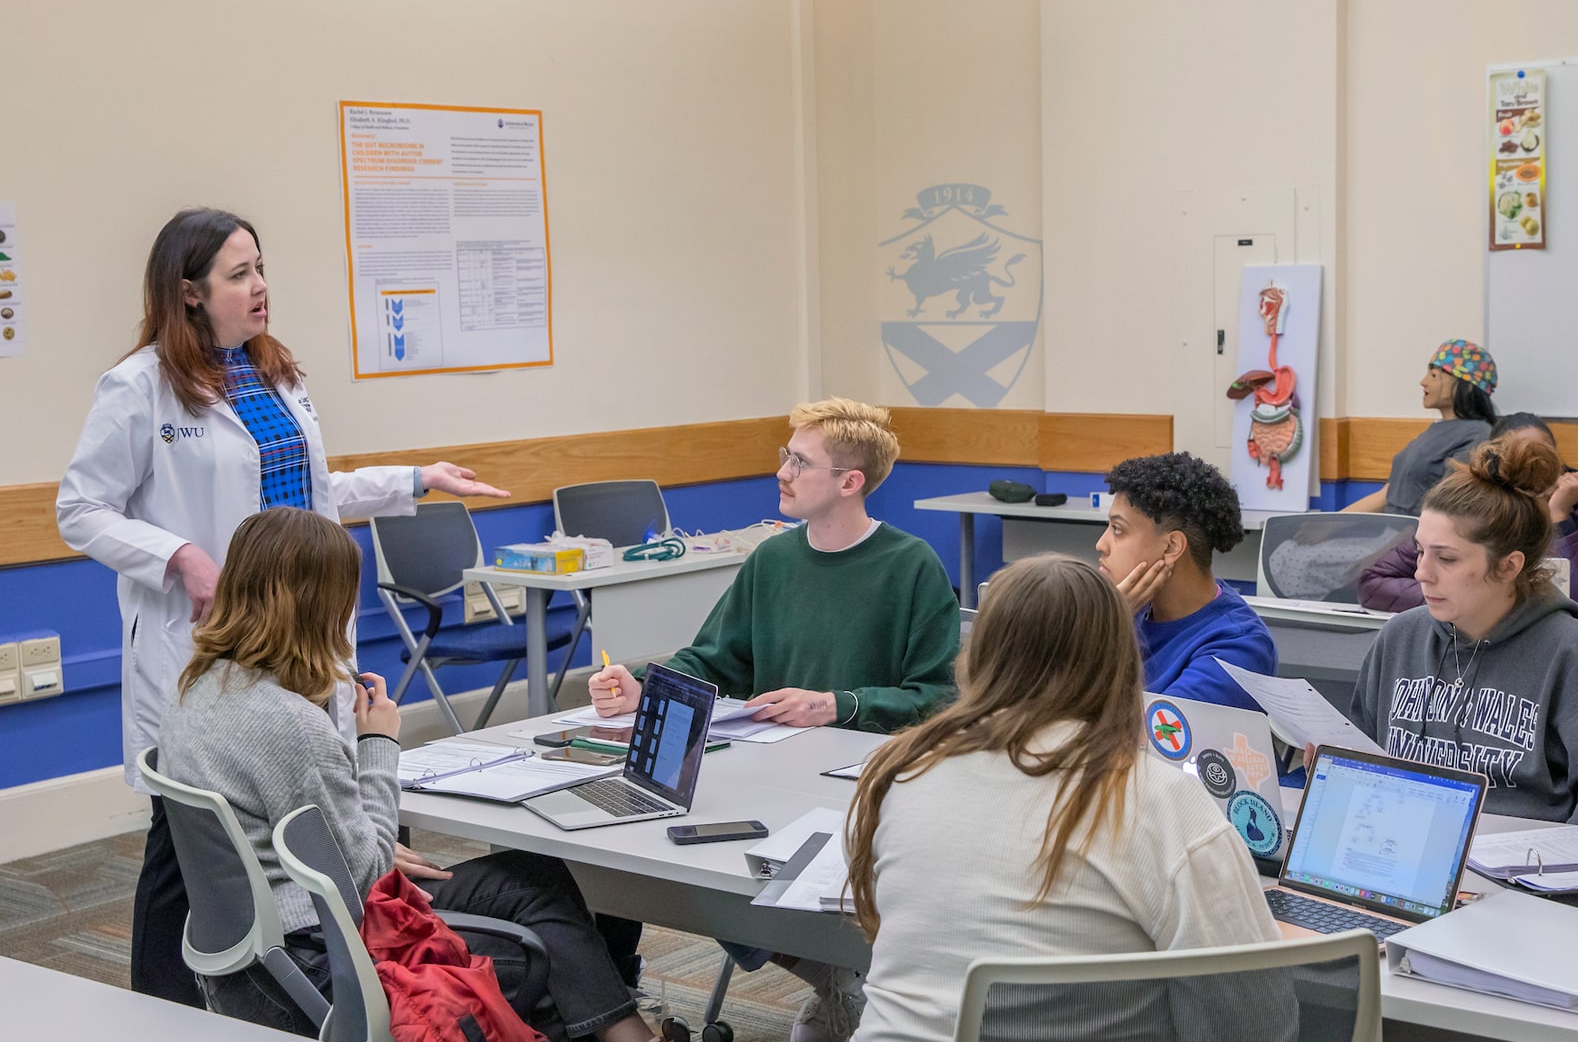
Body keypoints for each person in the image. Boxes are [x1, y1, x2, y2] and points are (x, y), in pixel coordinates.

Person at [55, 208, 508, 1008]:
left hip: (299, 639)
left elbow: (307, 496)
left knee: (324, 815)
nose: (260, 287)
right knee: (188, 840)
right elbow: (79, 510)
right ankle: (158, 1010)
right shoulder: (139, 386)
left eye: (261, 268)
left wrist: (413, 479)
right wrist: (180, 557)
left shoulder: (274, 375)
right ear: (189, 292)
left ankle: (364, 986)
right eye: (239, 275)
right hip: (211, 647)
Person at [157, 508, 654, 1041]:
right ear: (319, 605)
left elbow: (289, 835)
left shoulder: (196, 692)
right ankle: (626, 1035)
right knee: (540, 918)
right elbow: (364, 879)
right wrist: (378, 743)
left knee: (535, 878)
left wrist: (353, 840)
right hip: (324, 961)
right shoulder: (291, 724)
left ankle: (621, 1031)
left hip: (254, 958)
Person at [587, 396, 960, 1042]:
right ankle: (833, 978)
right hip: (768, 775)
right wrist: (642, 686)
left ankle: (845, 976)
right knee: (679, 867)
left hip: (859, 786)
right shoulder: (771, 561)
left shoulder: (912, 567)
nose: (781, 472)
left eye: (799, 460)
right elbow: (716, 659)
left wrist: (838, 705)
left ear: (850, 483)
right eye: (785, 455)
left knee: (762, 880)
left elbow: (936, 698)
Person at [844, 554, 1297, 1042]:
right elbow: (1255, 1021)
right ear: (1121, 660)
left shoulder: (902, 769)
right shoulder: (1159, 799)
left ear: (978, 654)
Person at [1349, 434, 1578, 835]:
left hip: (1521, 877)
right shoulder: (1399, 638)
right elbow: (1367, 762)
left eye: (1447, 558)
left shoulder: (1576, 655)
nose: (1422, 572)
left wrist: (1531, 860)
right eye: (1420, 551)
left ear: (1510, 566)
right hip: (1408, 862)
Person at [1359, 413, 1578, 621]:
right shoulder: (1466, 512)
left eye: (1542, 458)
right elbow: (1375, 582)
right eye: (1519, 459)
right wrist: (1465, 597)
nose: (1531, 470)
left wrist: (1560, 517)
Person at [1095, 452, 1277, 711]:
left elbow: (1158, 738)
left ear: (1171, 547)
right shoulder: (1127, 608)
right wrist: (1109, 619)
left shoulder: (1238, 646)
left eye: (1117, 529)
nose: (1101, 545)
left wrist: (1107, 627)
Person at [1343, 338, 1498, 516]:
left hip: (1419, 541)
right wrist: (1325, 524)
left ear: (1468, 386)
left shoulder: (1477, 436)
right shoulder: (1437, 430)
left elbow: (1449, 509)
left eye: (1433, 375)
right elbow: (1387, 495)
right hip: (1395, 535)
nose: (1423, 382)